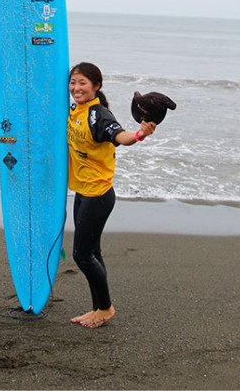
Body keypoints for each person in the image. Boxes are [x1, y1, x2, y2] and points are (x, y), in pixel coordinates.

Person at [67, 62, 156, 329]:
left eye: (82, 83)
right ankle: (99, 307)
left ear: (96, 86)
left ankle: (105, 308)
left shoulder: (98, 116)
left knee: (81, 256)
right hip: (84, 192)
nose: (76, 88)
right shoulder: (74, 109)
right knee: (92, 251)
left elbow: (120, 136)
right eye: (73, 82)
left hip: (98, 196)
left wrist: (140, 134)